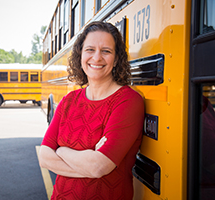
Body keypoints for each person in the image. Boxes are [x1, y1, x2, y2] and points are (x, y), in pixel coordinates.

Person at [38, 21, 145, 200]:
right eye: (90, 49)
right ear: (80, 54)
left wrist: (62, 151)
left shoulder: (128, 102)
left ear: (117, 58)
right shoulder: (68, 101)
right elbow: (44, 157)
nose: (96, 58)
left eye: (106, 51)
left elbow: (98, 167)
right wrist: (87, 160)